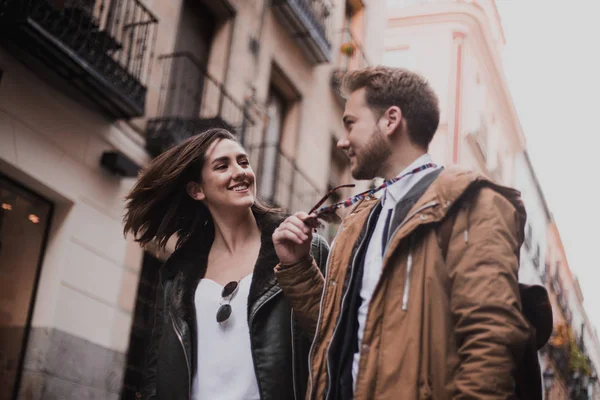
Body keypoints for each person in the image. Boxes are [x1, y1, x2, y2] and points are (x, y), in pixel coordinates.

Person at [273, 66, 547, 399]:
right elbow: (340, 331)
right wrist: (297, 266)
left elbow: (491, 344)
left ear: (390, 120)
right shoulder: (361, 217)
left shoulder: (473, 205)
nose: (343, 141)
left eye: (350, 124)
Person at [123, 128, 329, 400]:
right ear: (197, 190)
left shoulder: (302, 246)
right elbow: (157, 372)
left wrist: (298, 266)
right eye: (222, 166)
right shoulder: (177, 273)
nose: (240, 172)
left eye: (243, 162)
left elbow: (331, 339)